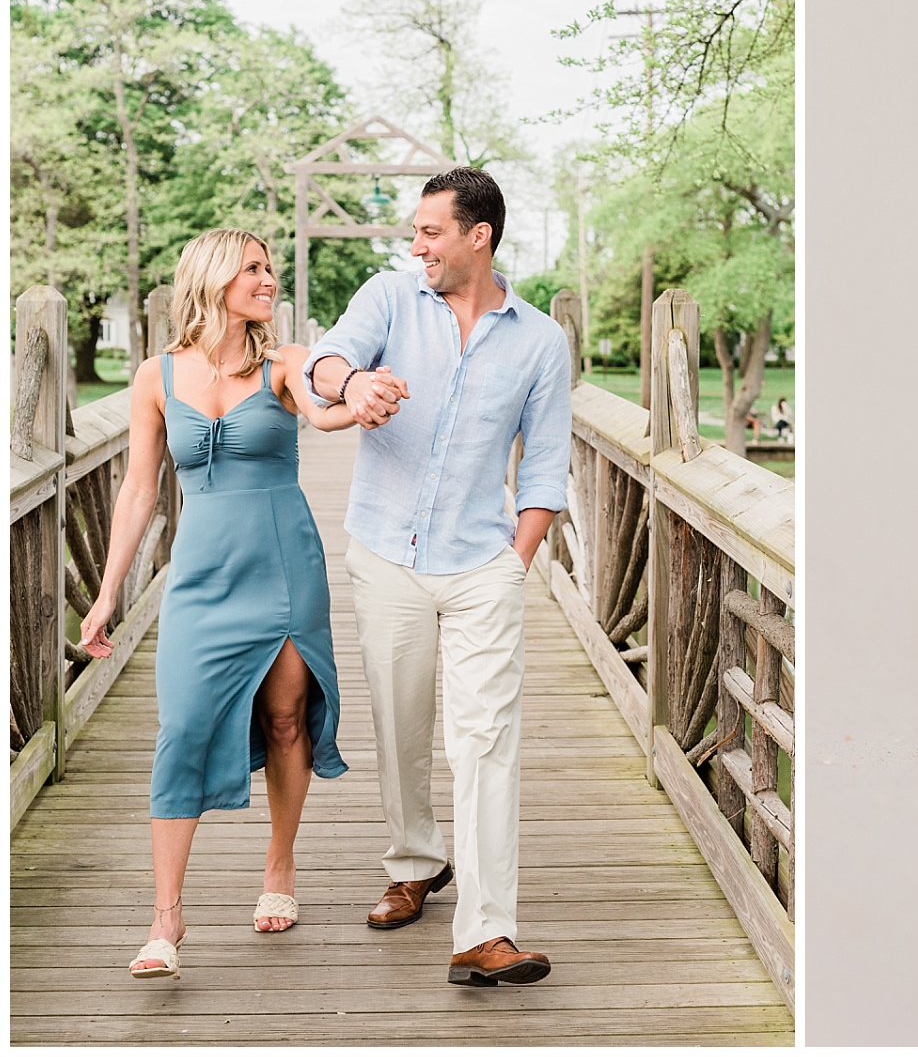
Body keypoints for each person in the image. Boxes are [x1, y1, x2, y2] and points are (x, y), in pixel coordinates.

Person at [81, 228, 384, 980]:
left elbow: (322, 415)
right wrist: (108, 590)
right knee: (180, 725)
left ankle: (279, 868)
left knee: (286, 719)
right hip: (201, 575)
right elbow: (139, 488)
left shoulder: (282, 364)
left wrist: (364, 397)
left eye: (270, 268)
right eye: (254, 267)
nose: (268, 279)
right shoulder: (157, 376)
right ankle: (166, 916)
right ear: (214, 277)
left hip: (283, 565)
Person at [302, 166, 572, 988]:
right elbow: (322, 361)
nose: (415, 245)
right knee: (402, 723)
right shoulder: (389, 297)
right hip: (386, 554)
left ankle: (487, 930)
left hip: (481, 563)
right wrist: (354, 384)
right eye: (414, 232)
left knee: (486, 740)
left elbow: (546, 467)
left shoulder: (539, 340)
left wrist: (512, 565)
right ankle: (415, 861)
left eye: (430, 231)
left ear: (477, 236)